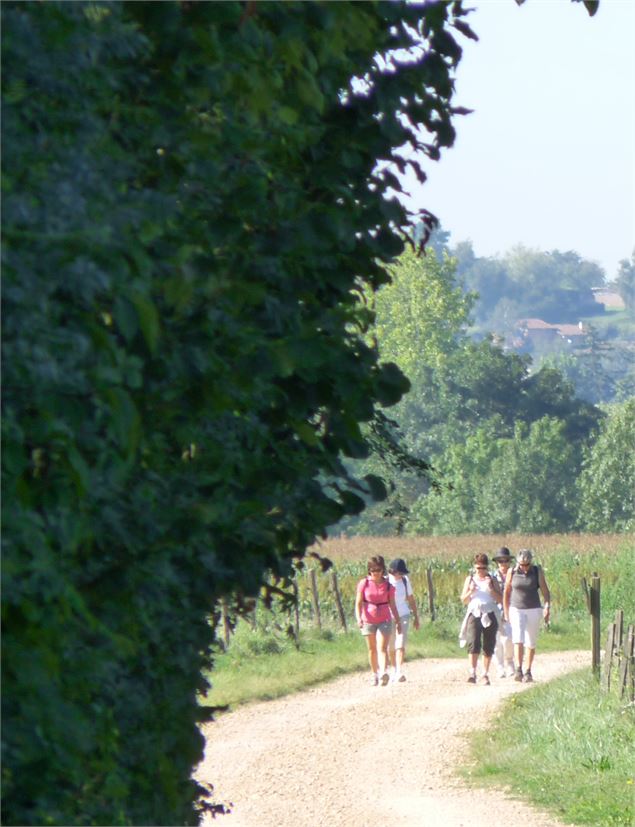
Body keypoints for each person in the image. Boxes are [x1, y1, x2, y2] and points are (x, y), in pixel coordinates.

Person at [503, 548, 551, 683]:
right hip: (516, 608)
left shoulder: (537, 571)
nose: (524, 567)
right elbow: (506, 593)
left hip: (533, 609)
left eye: (527, 565)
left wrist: (547, 606)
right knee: (518, 638)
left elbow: (545, 592)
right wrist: (506, 612)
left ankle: (528, 670)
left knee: (531, 641)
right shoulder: (511, 572)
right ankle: (518, 669)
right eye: (522, 565)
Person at [355, 555, 402, 686]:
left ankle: (383, 673)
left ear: (383, 570)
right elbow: (358, 603)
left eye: (379, 570)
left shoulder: (388, 586)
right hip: (368, 619)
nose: (376, 573)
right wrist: (359, 618)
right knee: (371, 649)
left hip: (384, 619)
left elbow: (392, 605)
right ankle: (374, 674)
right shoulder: (363, 584)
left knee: (382, 648)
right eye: (373, 570)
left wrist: (397, 621)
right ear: (369, 570)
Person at [459, 553, 502, 685]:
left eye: (483, 568)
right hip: (475, 611)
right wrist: (471, 591)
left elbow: (500, 599)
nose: (481, 571)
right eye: (478, 568)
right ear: (474, 567)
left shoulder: (492, 580)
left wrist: (491, 590)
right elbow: (464, 600)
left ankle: (485, 673)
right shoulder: (470, 579)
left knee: (489, 643)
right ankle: (472, 672)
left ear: (487, 567)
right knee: (473, 641)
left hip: (489, 611)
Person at [387, 558, 420, 683]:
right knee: (391, 645)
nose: (401, 575)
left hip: (404, 615)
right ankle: (394, 669)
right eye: (400, 573)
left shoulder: (405, 581)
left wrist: (416, 616)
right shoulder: (386, 581)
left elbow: (411, 599)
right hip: (388, 616)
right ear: (393, 571)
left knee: (400, 644)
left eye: (402, 573)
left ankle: (399, 671)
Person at [492, 547, 515, 678]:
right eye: (500, 561)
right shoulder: (492, 576)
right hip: (495, 610)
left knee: (508, 638)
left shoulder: (514, 575)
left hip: (510, 610)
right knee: (496, 641)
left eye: (505, 561)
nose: (503, 564)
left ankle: (510, 661)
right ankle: (500, 666)